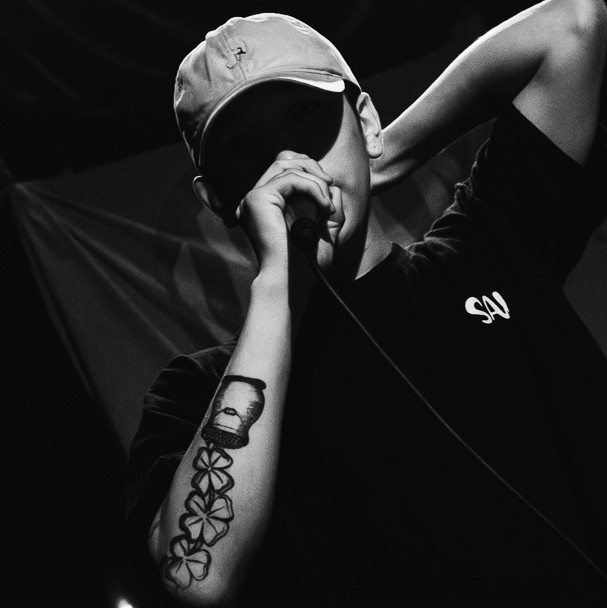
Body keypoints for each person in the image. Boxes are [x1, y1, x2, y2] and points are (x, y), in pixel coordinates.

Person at [125, 2, 607, 606]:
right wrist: (277, 284)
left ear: (365, 119)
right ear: (218, 200)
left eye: (305, 115)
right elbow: (196, 578)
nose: (288, 162)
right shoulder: (193, 393)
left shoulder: (486, 247)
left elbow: (573, 26)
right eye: (243, 147)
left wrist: (380, 155)